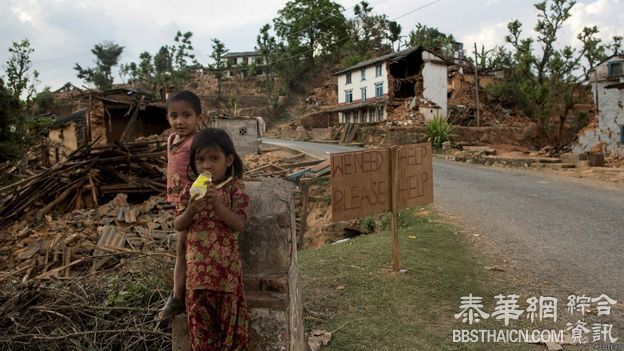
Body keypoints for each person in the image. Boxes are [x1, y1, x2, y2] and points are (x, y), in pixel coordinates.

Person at [174, 128, 250, 350]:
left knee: (231, 339)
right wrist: (191, 210)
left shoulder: (235, 188)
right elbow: (179, 224)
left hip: (227, 279)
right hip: (197, 280)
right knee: (202, 339)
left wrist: (217, 204)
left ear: (228, 160)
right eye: (200, 159)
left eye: (214, 158)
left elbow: (239, 223)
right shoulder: (189, 191)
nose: (206, 165)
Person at [158, 90, 201, 321]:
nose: (179, 121)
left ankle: (178, 298)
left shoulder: (199, 142)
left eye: (186, 115)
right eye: (174, 116)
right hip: (180, 204)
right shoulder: (171, 140)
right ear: (167, 118)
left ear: (198, 116)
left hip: (196, 203)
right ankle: (178, 296)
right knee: (181, 250)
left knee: (186, 249)